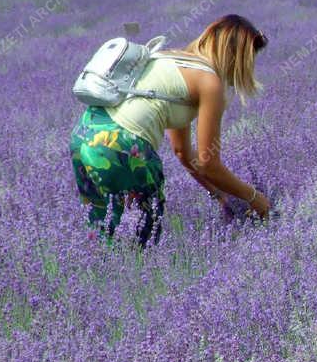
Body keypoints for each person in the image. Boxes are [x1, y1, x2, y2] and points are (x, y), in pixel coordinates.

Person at [69, 14, 270, 246]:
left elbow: (183, 152)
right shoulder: (210, 83)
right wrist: (255, 199)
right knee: (142, 241)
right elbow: (208, 163)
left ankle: (101, 278)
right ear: (238, 57)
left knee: (101, 235)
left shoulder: (173, 60)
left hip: (84, 136)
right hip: (123, 146)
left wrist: (220, 196)